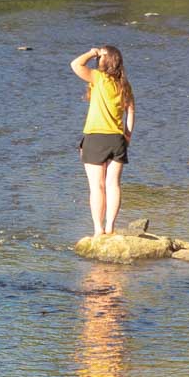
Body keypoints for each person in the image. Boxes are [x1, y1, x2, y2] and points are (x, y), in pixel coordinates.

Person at [71, 45, 135, 237]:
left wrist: (91, 53)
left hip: (96, 137)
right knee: (113, 184)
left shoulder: (98, 78)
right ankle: (110, 227)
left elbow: (75, 64)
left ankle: (99, 230)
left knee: (97, 186)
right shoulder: (124, 84)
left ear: (104, 60)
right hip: (117, 138)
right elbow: (130, 111)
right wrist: (127, 136)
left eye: (101, 57)